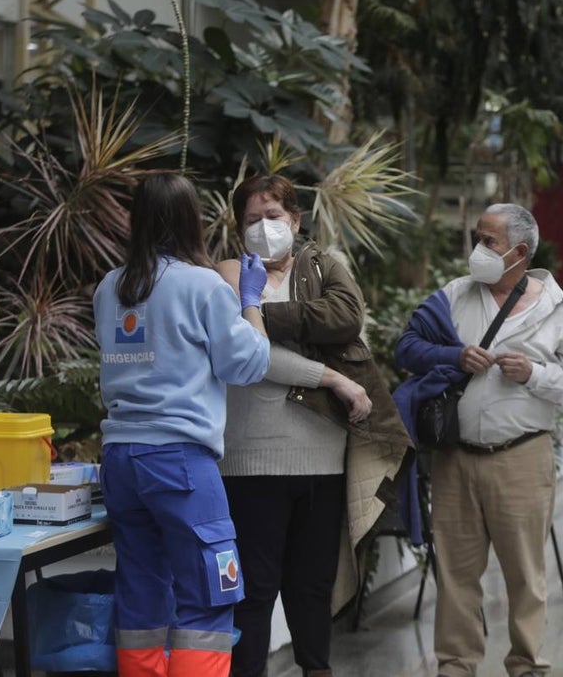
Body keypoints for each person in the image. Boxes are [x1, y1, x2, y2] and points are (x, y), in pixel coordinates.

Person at [216, 174, 412, 677]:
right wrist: (331, 376)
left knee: (312, 586)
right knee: (253, 592)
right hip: (249, 462)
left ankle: (316, 670)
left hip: (322, 459)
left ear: (296, 219)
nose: (264, 227)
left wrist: (264, 312)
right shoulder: (227, 274)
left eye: (274, 216)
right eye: (253, 219)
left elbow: (345, 319)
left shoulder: (324, 265)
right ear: (238, 228)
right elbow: (251, 354)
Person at [394, 203, 563, 677]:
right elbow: (407, 345)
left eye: (489, 242)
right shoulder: (454, 295)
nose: (478, 250)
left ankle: (527, 663)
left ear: (520, 252)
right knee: (455, 573)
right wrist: (452, 354)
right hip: (456, 458)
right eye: (477, 238)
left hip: (521, 457)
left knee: (525, 574)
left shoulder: (560, 311)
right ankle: (456, 664)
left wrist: (534, 374)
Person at [94, 173, 271, 677]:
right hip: (179, 463)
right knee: (208, 598)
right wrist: (250, 302)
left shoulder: (110, 287)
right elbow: (248, 365)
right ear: (190, 219)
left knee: (141, 596)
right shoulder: (203, 285)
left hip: (121, 460)